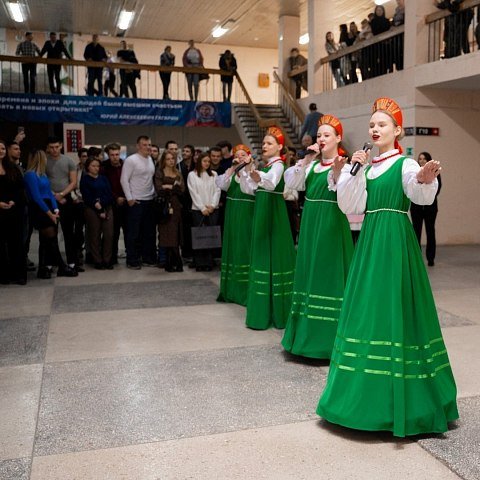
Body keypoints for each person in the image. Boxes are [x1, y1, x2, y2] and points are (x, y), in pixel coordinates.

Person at [317, 97, 458, 437]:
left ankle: (408, 399)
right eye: (372, 125)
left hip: (395, 239)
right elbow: (350, 203)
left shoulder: (405, 164)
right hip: (370, 240)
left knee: (396, 306)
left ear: (397, 130)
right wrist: (354, 171)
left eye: (382, 125)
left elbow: (419, 194)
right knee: (367, 308)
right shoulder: (365, 166)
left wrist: (424, 179)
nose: (375, 129)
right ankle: (359, 397)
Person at [281, 114, 354, 359]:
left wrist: (337, 173)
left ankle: (328, 341)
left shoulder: (344, 164)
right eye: (319, 135)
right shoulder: (312, 164)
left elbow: (347, 194)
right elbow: (291, 183)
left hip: (332, 223)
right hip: (311, 222)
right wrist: (306, 158)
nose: (321, 139)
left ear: (338, 138)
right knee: (308, 271)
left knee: (327, 273)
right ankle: (302, 337)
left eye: (327, 135)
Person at [239, 126, 296, 330]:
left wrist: (258, 177)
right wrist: (247, 171)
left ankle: (275, 310)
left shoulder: (278, 165)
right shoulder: (265, 166)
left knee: (273, 254)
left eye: (269, 143)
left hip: (273, 213)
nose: (264, 146)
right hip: (262, 211)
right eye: (263, 143)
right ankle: (263, 308)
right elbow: (249, 189)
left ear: (280, 146)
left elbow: (271, 184)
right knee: (263, 253)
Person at [24, 150, 77, 279]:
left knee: (47, 239)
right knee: (50, 238)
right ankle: (61, 266)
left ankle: (45, 268)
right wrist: (49, 213)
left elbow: (49, 193)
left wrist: (55, 209)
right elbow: (36, 197)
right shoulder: (30, 175)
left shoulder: (42, 175)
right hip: (39, 208)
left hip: (48, 206)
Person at [216, 144, 255, 305]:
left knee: (244, 248)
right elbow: (220, 184)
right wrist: (231, 170)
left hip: (246, 215)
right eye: (237, 155)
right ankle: (230, 289)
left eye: (242, 155)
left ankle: (244, 290)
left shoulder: (250, 174)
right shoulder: (231, 174)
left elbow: (252, 189)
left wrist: (245, 168)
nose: (239, 158)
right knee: (232, 247)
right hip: (232, 215)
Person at [120, 135, 156, 269]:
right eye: (145, 145)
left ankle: (147, 258)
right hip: (136, 201)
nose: (148, 147)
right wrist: (129, 198)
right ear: (138, 146)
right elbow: (124, 180)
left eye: (149, 145)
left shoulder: (150, 159)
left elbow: (149, 179)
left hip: (149, 200)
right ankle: (132, 260)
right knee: (133, 233)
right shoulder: (131, 160)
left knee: (148, 232)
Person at [46, 136, 81, 271]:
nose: (54, 150)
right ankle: (49, 262)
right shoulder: (44, 161)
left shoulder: (68, 161)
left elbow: (73, 182)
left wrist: (61, 194)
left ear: (61, 146)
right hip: (49, 199)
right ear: (48, 148)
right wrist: (54, 195)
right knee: (50, 233)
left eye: (56, 147)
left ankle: (72, 261)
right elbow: (42, 181)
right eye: (52, 147)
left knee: (68, 232)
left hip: (66, 199)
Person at [187, 152, 221, 271]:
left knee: (210, 237)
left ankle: (209, 262)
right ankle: (199, 263)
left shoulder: (214, 174)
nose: (207, 163)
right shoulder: (192, 175)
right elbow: (193, 192)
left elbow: (217, 191)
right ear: (199, 161)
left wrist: (212, 205)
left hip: (212, 210)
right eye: (204, 161)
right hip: (198, 210)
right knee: (199, 237)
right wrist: (202, 208)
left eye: (208, 161)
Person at [0, 139, 27, 285]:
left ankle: (19, 274)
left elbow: (19, 188)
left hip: (13, 209)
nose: (1, 151)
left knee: (16, 243)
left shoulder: (12, 167)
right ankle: (4, 275)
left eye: (3, 148)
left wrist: (13, 201)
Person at [80, 157, 114, 269]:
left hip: (106, 206)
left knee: (108, 234)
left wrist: (101, 203)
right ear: (88, 167)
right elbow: (86, 195)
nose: (96, 168)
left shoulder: (104, 178)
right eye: (93, 166)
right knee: (94, 234)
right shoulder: (85, 179)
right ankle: (97, 260)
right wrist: (97, 206)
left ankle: (107, 259)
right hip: (92, 208)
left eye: (98, 166)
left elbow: (109, 193)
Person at [154, 150, 185, 272]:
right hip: (164, 206)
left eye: (173, 158)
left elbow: (181, 190)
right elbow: (159, 189)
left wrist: (168, 186)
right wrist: (172, 187)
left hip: (176, 206)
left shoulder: (178, 172)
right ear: (164, 160)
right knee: (165, 234)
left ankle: (175, 262)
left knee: (174, 233)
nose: (171, 161)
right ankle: (170, 262)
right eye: (168, 159)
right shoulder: (159, 172)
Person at [410, 152, 442, 266]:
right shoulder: (414, 172)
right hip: (416, 208)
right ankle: (416, 257)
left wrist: (426, 195)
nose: (422, 161)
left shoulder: (434, 172)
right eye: (420, 159)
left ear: (428, 159)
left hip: (430, 208)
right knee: (416, 232)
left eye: (424, 159)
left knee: (430, 231)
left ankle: (431, 258)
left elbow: (437, 189)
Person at [102, 143, 127, 265]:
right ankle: (112, 257)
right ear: (108, 154)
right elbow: (105, 186)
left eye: (117, 154)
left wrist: (125, 197)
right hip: (111, 202)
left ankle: (131, 256)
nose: (115, 157)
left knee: (128, 231)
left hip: (126, 201)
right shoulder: (104, 167)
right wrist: (116, 197)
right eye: (112, 155)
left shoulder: (125, 164)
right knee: (113, 232)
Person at [71, 148, 88, 266]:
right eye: (83, 156)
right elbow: (72, 185)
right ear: (79, 157)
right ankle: (78, 250)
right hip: (78, 200)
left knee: (91, 228)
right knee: (78, 228)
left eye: (87, 156)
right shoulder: (75, 169)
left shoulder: (93, 169)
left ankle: (91, 250)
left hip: (90, 201)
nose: (85, 158)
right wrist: (74, 198)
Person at [370, 5, 391, 77]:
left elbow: (387, 30)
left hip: (385, 45)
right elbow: (375, 31)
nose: (379, 11)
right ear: (375, 11)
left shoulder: (386, 21)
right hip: (376, 46)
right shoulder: (373, 22)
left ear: (383, 11)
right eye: (377, 10)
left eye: (380, 10)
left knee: (384, 61)